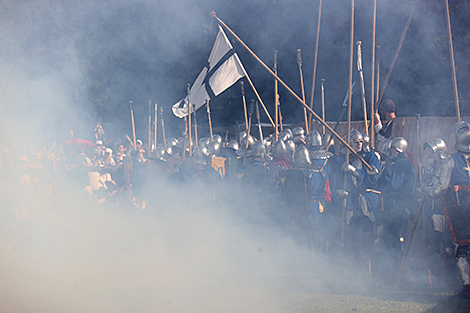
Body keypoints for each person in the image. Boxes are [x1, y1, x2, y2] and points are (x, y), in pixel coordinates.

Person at [421, 122, 470, 298]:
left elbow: (439, 189)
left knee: (461, 248)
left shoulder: (451, 161)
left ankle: (466, 287)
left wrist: (426, 189)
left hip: (460, 210)